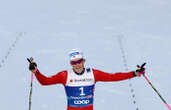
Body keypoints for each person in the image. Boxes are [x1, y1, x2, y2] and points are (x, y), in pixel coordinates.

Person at [28, 49, 145, 110]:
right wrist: (36, 71)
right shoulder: (64, 75)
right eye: (74, 62)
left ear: (84, 61)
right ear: (71, 63)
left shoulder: (93, 74)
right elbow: (45, 82)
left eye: (79, 61)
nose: (77, 64)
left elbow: (113, 77)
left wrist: (134, 73)